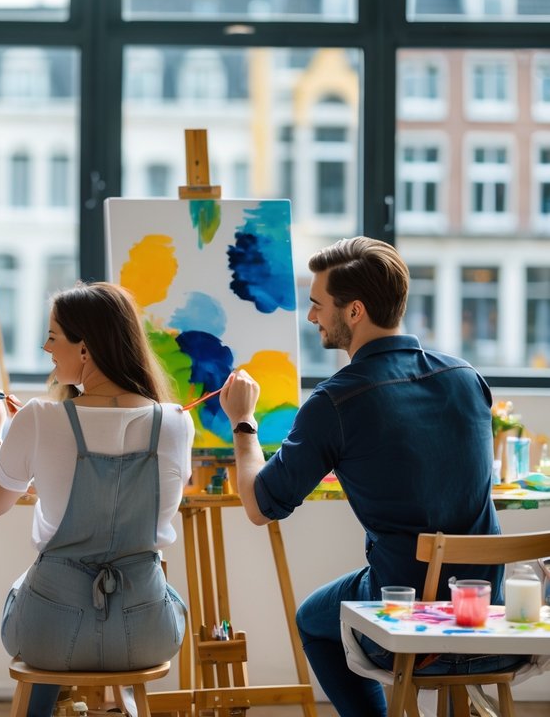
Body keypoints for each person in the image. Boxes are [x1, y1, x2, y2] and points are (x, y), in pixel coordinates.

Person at [220, 236, 517, 715]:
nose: (312, 316)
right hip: (488, 616)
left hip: (410, 622)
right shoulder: (466, 377)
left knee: (313, 619)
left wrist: (243, 422)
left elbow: (260, 506)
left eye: (318, 305)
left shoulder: (336, 402)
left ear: (354, 311)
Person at [0, 281, 194, 717]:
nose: (45, 346)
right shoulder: (174, 423)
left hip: (49, 635)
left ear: (85, 348)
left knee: (25, 590)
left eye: (53, 336)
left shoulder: (39, 417)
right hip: (147, 632)